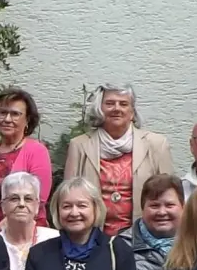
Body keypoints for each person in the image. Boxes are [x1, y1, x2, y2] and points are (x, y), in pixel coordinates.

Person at [63, 83, 177, 237]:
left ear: (132, 112)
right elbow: (69, 196)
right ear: (99, 109)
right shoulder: (79, 145)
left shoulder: (157, 145)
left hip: (144, 237)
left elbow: (169, 196)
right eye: (110, 103)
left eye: (123, 104)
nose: (117, 108)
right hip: (91, 236)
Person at [0, 88, 53, 227]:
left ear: (27, 119)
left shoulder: (37, 151)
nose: (7, 119)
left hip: (21, 231)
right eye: (3, 113)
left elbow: (38, 200)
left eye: (15, 114)